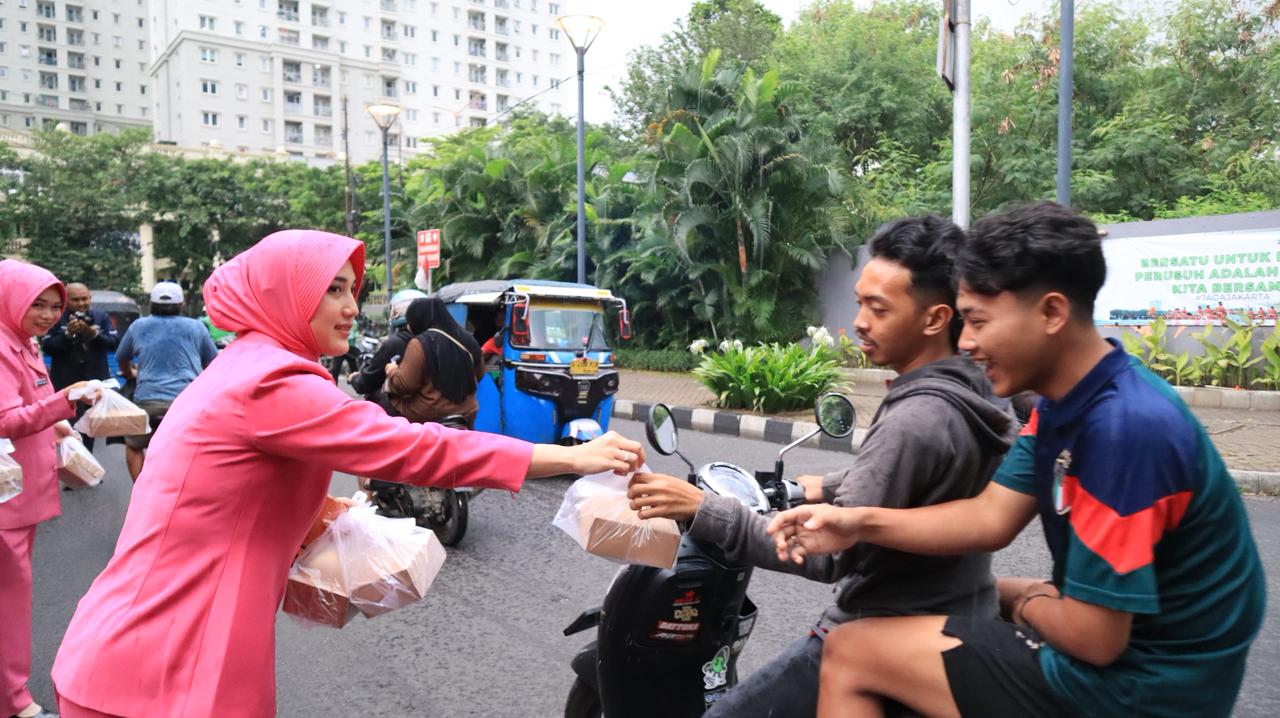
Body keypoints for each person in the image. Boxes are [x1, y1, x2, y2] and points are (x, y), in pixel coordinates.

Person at [50, 230, 644, 718]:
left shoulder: (247, 364)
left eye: (352, 289)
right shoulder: (271, 381)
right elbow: (411, 448)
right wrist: (571, 457)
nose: (352, 306)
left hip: (155, 643)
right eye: (332, 289)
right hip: (169, 654)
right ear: (284, 293)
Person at [767, 202, 1266, 718]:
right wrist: (857, 522)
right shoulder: (1062, 403)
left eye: (978, 321)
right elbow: (990, 516)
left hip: (1140, 688)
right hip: (1122, 657)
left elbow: (1095, 639)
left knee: (851, 653)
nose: (966, 343)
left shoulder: (1124, 429)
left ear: (1051, 313)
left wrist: (1027, 599)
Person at [625, 216, 1017, 717]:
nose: (860, 321)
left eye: (879, 308)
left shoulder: (915, 418)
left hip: (878, 630)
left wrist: (703, 508)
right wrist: (826, 486)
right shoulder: (974, 390)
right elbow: (927, 481)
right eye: (860, 303)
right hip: (958, 612)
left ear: (935, 318)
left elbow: (830, 553)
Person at [0, 260, 96, 718]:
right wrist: (64, 402)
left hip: (21, 495)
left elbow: (30, 402)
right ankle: (13, 700)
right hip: (8, 499)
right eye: (37, 303)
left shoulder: (22, 341)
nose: (48, 314)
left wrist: (57, 421)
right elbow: (4, 420)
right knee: (9, 603)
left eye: (54, 306)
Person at [115, 281, 219, 481]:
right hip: (186, 402)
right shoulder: (196, 327)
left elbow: (122, 357)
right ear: (181, 304)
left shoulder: (138, 326)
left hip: (147, 400)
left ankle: (140, 491)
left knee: (134, 446)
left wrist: (130, 374)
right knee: (191, 450)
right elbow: (212, 363)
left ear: (152, 304)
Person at [39, 282, 118, 453]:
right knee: (67, 429)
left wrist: (93, 333)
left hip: (94, 382)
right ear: (66, 301)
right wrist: (67, 335)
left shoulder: (101, 317)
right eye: (76, 300)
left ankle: (86, 462)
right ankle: (66, 462)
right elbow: (47, 347)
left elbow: (113, 344)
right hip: (66, 384)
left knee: (89, 430)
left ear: (90, 298)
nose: (82, 303)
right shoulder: (56, 318)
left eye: (85, 299)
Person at [385, 297, 485, 425]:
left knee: (382, 408)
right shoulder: (469, 339)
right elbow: (479, 374)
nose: (409, 326)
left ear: (418, 319)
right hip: (467, 412)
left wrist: (392, 371)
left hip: (430, 413)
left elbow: (405, 385)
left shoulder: (419, 343)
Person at [349, 288, 427, 413]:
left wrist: (354, 379)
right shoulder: (433, 339)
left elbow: (368, 381)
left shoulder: (396, 343)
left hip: (405, 411)